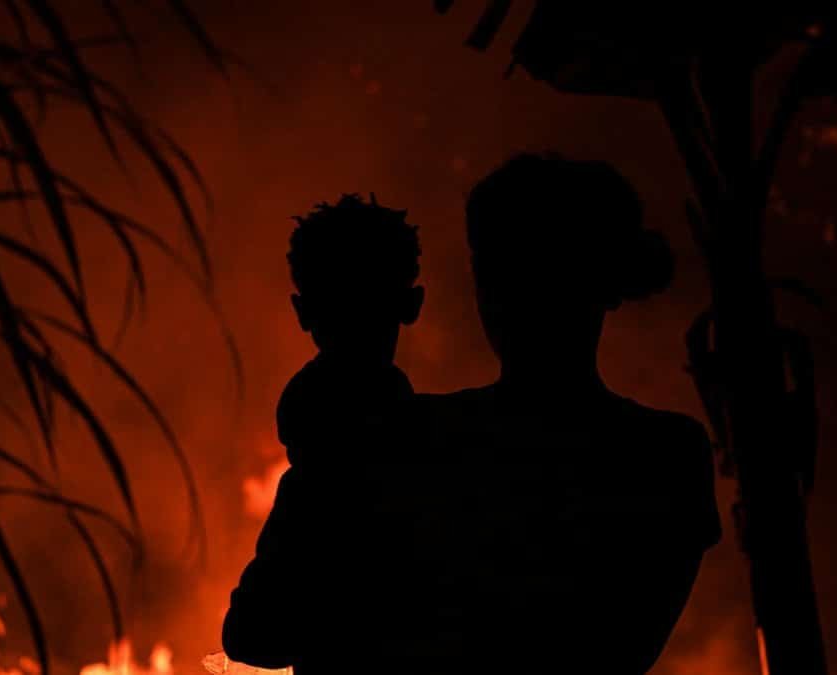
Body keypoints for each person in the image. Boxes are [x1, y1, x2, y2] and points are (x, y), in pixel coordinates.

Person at [403, 153, 722, 673]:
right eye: (493, 271)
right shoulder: (665, 454)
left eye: (535, 272)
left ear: (600, 286)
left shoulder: (424, 437)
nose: (503, 298)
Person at [222, 194, 426, 673]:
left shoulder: (317, 477)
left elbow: (250, 633)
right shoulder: (441, 456)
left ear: (303, 311)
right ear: (411, 304)